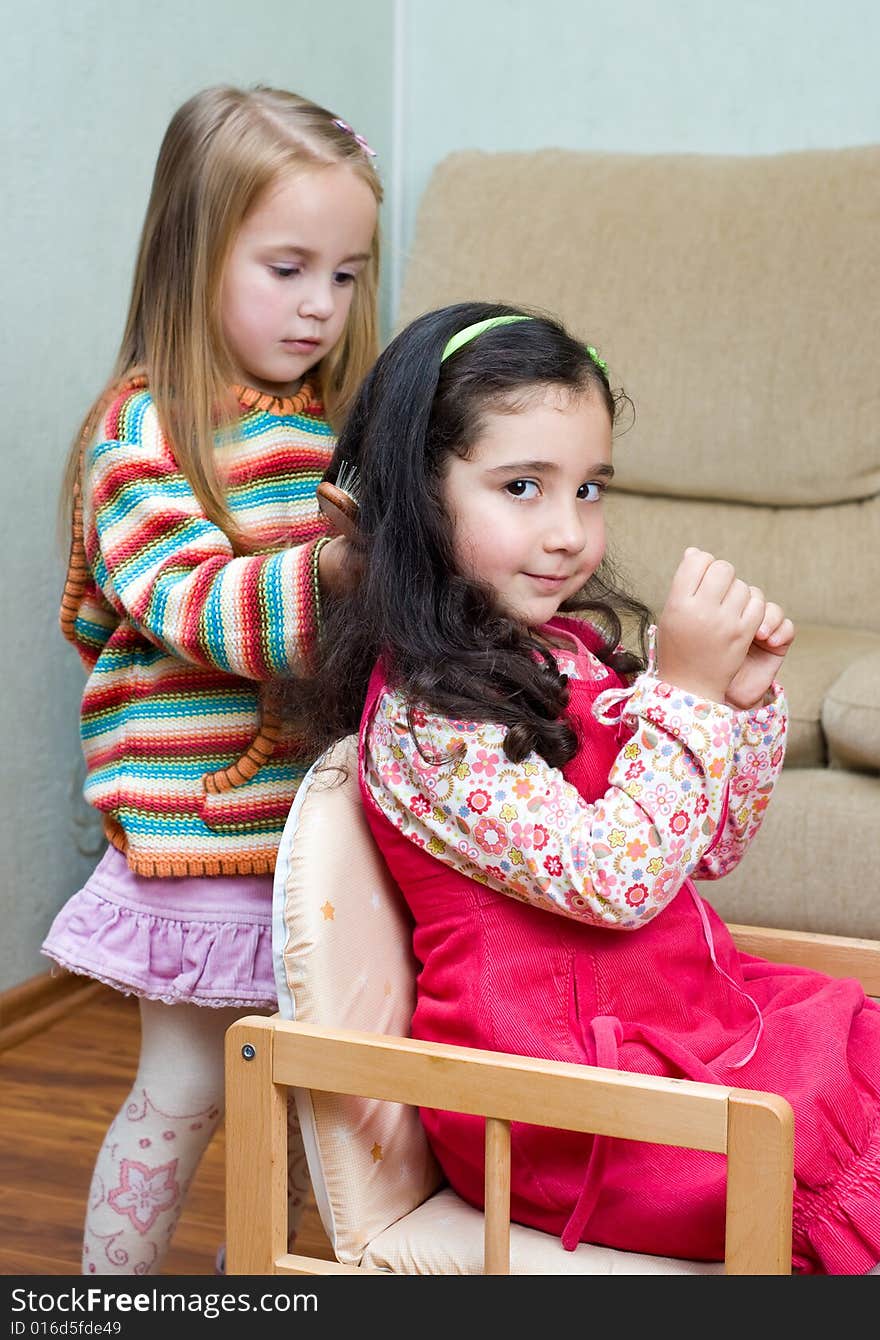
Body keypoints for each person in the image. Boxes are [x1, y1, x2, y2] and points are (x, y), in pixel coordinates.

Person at [296, 300, 880, 1275]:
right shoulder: (433, 719)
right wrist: (684, 695)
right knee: (825, 1136)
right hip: (564, 1106)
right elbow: (617, 880)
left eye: (589, 488)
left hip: (678, 1024)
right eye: (521, 486)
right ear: (418, 494)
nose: (568, 532)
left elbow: (707, 848)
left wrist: (736, 705)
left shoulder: (562, 653)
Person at [41, 83, 382, 1275]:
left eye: (345, 275)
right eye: (288, 266)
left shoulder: (330, 421)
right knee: (185, 1085)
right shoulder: (140, 436)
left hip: (315, 831)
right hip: (198, 827)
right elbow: (194, 602)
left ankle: (271, 1290)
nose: (319, 307)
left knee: (310, 1102)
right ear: (196, 255)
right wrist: (340, 574)